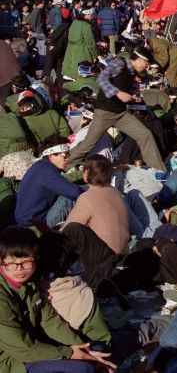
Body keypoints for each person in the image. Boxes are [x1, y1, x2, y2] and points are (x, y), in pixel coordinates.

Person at [0, 226, 116, 373]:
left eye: (26, 262)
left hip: (32, 348)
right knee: (82, 369)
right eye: (11, 263)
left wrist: (84, 350)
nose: (19, 269)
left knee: (97, 349)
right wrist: (70, 353)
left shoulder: (30, 284)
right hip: (10, 361)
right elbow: (23, 348)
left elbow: (50, 321)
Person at [68, 46, 167, 171]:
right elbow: (101, 78)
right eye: (146, 63)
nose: (146, 67)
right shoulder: (120, 63)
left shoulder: (132, 73)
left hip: (120, 113)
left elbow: (124, 86)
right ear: (138, 60)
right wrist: (118, 93)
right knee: (88, 144)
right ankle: (65, 164)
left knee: (145, 134)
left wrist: (133, 94)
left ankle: (158, 170)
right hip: (104, 112)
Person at [60, 155, 129, 287]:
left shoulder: (87, 197)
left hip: (102, 259)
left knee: (71, 230)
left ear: (86, 173)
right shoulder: (115, 193)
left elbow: (68, 230)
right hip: (120, 255)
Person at [14, 136, 82, 228]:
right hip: (36, 224)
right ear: (51, 155)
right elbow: (75, 192)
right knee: (70, 198)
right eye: (64, 156)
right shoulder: (46, 171)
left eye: (68, 155)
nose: (67, 159)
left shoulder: (41, 166)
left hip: (30, 220)